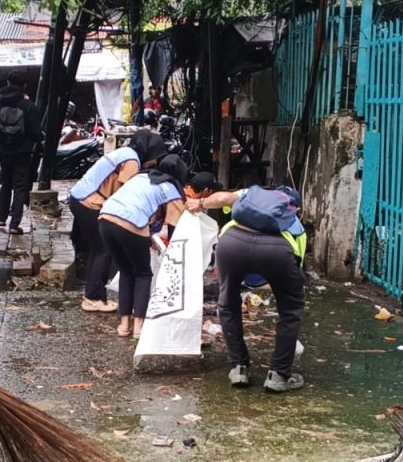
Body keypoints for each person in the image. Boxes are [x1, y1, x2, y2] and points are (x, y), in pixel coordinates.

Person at [186, 185, 307, 392]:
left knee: (228, 304)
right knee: (290, 311)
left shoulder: (250, 194)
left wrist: (200, 203)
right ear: (295, 207)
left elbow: (223, 197)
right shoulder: (296, 225)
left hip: (232, 243)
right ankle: (278, 375)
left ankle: (239, 368)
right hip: (277, 251)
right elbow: (294, 271)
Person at [68, 130, 167, 313]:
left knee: (97, 249)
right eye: (154, 157)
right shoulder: (132, 161)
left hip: (79, 198)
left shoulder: (125, 153)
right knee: (104, 251)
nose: (153, 162)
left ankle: (92, 295)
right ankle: (94, 298)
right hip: (90, 202)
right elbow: (127, 193)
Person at [98, 154, 189, 338]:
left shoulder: (141, 176)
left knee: (126, 270)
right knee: (143, 273)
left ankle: (124, 325)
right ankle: (139, 327)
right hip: (130, 223)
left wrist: (148, 240)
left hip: (105, 218)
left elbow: (136, 204)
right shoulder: (171, 189)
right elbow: (175, 227)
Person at [0, 70, 41, 235]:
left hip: (3, 150)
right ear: (24, 85)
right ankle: (14, 224)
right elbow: (34, 130)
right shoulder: (28, 105)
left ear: (8, 83)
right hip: (23, 151)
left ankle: (2, 217)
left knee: (6, 183)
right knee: (20, 186)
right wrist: (36, 141)